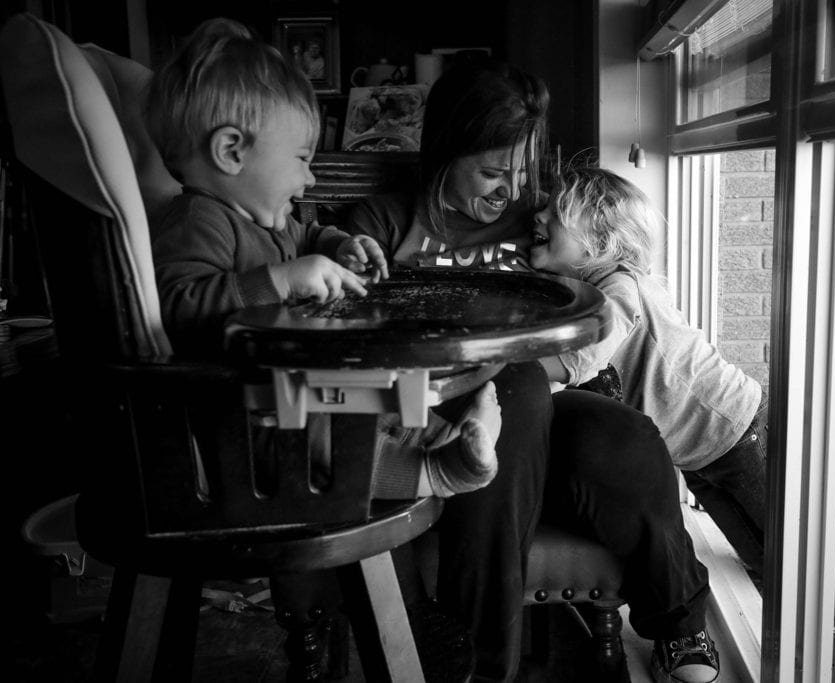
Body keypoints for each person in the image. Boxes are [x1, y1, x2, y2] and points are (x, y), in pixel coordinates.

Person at [347, 59, 719, 683]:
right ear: (444, 150)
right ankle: (480, 662)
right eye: (493, 171)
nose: (511, 191)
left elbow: (615, 267)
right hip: (430, 409)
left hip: (541, 405)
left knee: (625, 437)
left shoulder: (543, 225)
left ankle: (679, 628)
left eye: (521, 172)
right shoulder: (382, 225)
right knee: (512, 384)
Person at [145, 17, 502, 503]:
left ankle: (451, 440)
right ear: (231, 151)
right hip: (241, 424)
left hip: (287, 394)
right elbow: (176, 309)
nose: (310, 179)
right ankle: (441, 473)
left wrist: (339, 246)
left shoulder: (267, 221)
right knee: (337, 447)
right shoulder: (196, 220)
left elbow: (311, 233)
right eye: (301, 159)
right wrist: (280, 279)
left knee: (380, 402)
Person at [531, 165, 768, 582]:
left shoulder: (618, 289)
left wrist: (507, 361)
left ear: (599, 242)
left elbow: (577, 362)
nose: (539, 217)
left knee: (790, 555)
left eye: (555, 213)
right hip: (699, 454)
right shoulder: (590, 288)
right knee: (761, 556)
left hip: (737, 431)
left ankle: (833, 615)